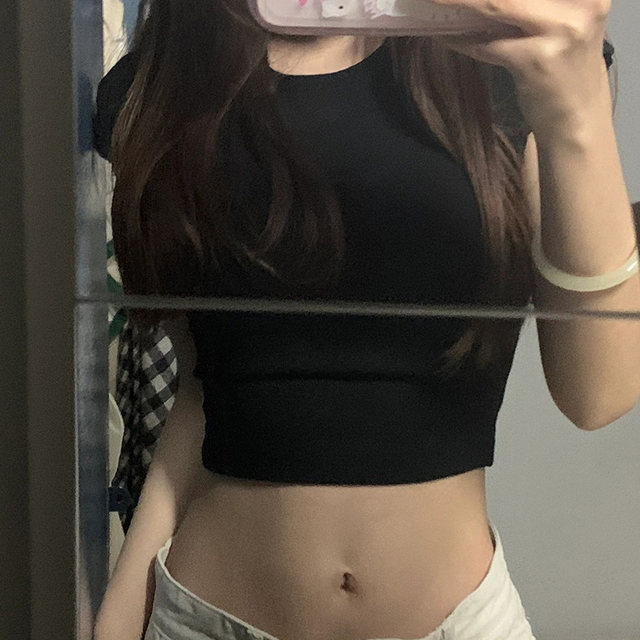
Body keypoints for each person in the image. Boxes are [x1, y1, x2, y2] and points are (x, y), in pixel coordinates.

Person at [92, 1, 639, 639]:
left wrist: (576, 111)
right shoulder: (162, 85)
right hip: (206, 618)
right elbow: (201, 389)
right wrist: (123, 607)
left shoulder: (508, 59)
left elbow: (599, 394)